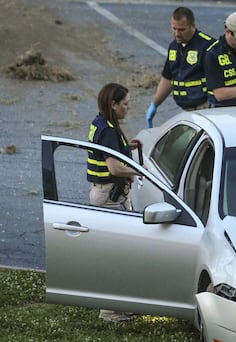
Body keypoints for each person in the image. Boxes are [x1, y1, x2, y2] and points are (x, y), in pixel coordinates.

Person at [87, 82, 142, 322]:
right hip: (110, 197)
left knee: (117, 254)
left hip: (105, 194)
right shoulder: (109, 129)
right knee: (115, 257)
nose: (128, 108)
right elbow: (114, 167)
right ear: (113, 104)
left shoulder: (101, 122)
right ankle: (110, 312)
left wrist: (126, 147)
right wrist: (138, 171)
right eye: (125, 104)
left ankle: (117, 307)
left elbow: (106, 150)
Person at [145, 7, 216, 127]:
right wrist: (155, 104)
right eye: (174, 28)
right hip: (186, 110)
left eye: (182, 29)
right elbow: (167, 78)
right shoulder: (174, 46)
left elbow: (218, 80)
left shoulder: (208, 47)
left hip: (205, 110)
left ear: (193, 26)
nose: (177, 34)